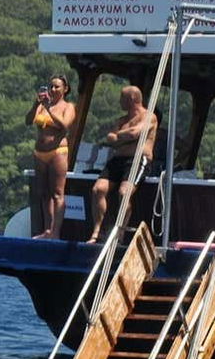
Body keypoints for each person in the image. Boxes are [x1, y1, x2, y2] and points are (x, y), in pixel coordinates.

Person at [88, 86, 157, 244]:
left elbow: (135, 133)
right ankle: (97, 231)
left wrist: (119, 137)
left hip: (137, 160)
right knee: (98, 189)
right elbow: (110, 139)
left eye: (121, 98)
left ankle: (119, 233)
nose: (119, 102)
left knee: (124, 193)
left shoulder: (149, 117)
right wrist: (123, 137)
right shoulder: (122, 120)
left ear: (131, 99)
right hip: (117, 160)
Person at [24, 75, 76, 239]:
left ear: (65, 89)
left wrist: (49, 110)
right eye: (51, 86)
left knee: (57, 193)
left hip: (57, 152)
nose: (53, 90)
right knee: (44, 193)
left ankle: (55, 231)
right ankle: (47, 229)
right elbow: (28, 121)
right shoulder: (42, 106)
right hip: (40, 152)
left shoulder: (68, 107)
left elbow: (64, 126)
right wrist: (36, 104)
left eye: (57, 87)